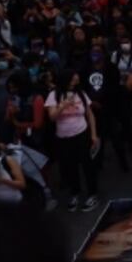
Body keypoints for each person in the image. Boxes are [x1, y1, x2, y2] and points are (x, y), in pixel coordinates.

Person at [45, 70, 100, 212]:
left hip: (82, 133)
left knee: (87, 165)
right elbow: (52, 117)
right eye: (71, 82)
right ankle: (75, 193)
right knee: (70, 166)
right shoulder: (54, 95)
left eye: (75, 82)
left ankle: (92, 194)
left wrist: (94, 135)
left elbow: (90, 114)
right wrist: (62, 105)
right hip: (63, 137)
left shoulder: (81, 93)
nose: (73, 85)